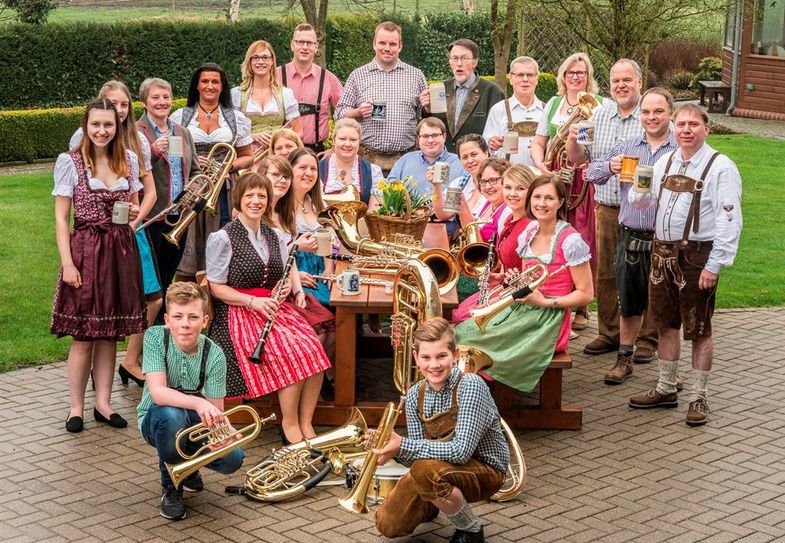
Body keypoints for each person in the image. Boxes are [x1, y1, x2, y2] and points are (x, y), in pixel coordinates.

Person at [627, 104, 742, 427]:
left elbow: (729, 219)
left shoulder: (721, 167)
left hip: (696, 257)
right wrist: (639, 188)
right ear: (673, 128)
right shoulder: (665, 161)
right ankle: (666, 388)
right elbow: (642, 201)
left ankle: (698, 396)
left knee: (699, 328)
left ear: (707, 128)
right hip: (661, 254)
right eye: (681, 124)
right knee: (665, 323)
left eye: (693, 124)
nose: (686, 130)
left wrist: (715, 264)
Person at [206, 171, 330, 444]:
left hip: (272, 308)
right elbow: (216, 288)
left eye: (262, 196)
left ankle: (306, 423)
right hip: (238, 311)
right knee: (293, 352)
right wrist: (253, 301)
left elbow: (281, 275)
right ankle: (289, 425)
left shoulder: (274, 235)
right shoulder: (223, 238)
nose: (256, 201)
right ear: (239, 199)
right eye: (249, 195)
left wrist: (283, 289)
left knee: (314, 348)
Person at [52, 99, 148, 433]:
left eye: (108, 125)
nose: (102, 131)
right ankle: (76, 408)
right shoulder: (71, 161)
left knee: (109, 334)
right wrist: (67, 262)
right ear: (86, 125)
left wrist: (133, 212)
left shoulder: (128, 159)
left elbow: (134, 206)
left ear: (117, 126)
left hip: (120, 251)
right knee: (83, 336)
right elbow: (61, 219)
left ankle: (104, 404)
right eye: (96, 124)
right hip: (86, 252)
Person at [374, 317, 509, 543]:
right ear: (416, 358)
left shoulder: (471, 385)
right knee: (387, 525)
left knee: (426, 471)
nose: (434, 365)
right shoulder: (415, 394)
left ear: (455, 355)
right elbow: (417, 457)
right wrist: (390, 449)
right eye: (426, 357)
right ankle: (435, 502)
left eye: (441, 356)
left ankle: (471, 530)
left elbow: (461, 452)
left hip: (486, 470)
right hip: (440, 468)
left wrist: (403, 445)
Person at [455, 174, 593, 393]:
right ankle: (476, 392)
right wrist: (506, 279)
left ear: (560, 202)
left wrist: (545, 302)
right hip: (523, 308)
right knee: (462, 333)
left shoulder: (571, 241)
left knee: (476, 341)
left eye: (549, 198)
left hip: (549, 320)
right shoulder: (530, 231)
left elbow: (586, 294)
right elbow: (527, 276)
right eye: (537, 197)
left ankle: (487, 395)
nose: (541, 203)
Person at [69, 80, 161, 386]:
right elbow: (77, 190)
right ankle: (97, 373)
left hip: (129, 230)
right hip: (95, 235)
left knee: (151, 298)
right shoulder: (85, 138)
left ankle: (129, 361)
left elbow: (146, 192)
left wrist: (135, 221)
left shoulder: (136, 141)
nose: (119, 110)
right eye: (112, 103)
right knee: (98, 307)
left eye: (124, 105)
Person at [586, 88, 677, 384]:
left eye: (658, 111)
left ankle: (669, 372)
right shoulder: (628, 146)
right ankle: (624, 360)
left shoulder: (680, 148)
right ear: (640, 116)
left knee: (668, 305)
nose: (652, 117)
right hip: (631, 235)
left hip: (668, 239)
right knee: (629, 301)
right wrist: (609, 166)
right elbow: (592, 173)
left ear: (670, 113)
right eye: (646, 112)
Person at [566, 59, 655, 360]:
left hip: (644, 212)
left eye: (627, 80)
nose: (621, 85)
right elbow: (578, 158)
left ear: (639, 82)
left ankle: (647, 338)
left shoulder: (649, 115)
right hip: (606, 207)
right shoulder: (598, 115)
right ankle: (609, 332)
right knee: (606, 272)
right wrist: (573, 137)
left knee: (644, 273)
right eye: (616, 80)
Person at [137, 282, 244, 521]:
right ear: (167, 319)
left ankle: (188, 466)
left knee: (233, 458)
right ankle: (171, 487)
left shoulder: (214, 354)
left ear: (204, 321)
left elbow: (215, 410)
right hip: (156, 419)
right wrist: (198, 403)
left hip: (193, 422)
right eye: (178, 317)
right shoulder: (155, 337)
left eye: (193, 317)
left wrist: (224, 433)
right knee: (172, 415)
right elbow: (158, 393)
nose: (185, 324)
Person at [530, 52, 602, 333]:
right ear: (563, 76)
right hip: (554, 177)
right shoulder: (553, 104)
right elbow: (539, 142)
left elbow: (593, 147)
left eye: (581, 72)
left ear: (588, 76)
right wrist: (542, 166)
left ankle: (582, 305)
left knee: (582, 239)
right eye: (570, 72)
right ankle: (556, 300)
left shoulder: (599, 105)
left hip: (581, 181)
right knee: (553, 238)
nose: (575, 77)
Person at [171, 63, 254, 281]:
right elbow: (171, 155)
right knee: (189, 240)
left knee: (222, 237)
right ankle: (186, 291)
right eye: (205, 81)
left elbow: (248, 156)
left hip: (224, 187)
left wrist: (229, 167)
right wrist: (190, 160)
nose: (210, 86)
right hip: (193, 185)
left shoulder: (235, 118)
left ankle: (219, 287)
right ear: (197, 85)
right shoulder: (180, 116)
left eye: (215, 82)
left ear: (222, 86)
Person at [137, 77, 202, 327]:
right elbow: (131, 173)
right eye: (155, 97)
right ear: (144, 102)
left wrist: (194, 189)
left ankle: (163, 331)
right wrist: (153, 153)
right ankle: (150, 333)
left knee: (168, 276)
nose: (162, 102)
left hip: (178, 217)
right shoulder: (135, 132)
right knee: (152, 283)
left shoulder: (182, 131)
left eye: (166, 97)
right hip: (151, 216)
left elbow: (195, 170)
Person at [335, 21, 427, 173]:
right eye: (382, 43)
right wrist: (358, 112)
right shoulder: (358, 75)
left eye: (392, 44)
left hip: (406, 160)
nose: (387, 48)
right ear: (374, 44)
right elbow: (339, 114)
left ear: (400, 46)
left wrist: (428, 106)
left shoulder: (416, 76)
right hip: (367, 159)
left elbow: (427, 116)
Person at [451, 164, 537, 324]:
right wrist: (499, 278)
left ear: (531, 191)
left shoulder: (531, 226)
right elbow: (506, 262)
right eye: (508, 188)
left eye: (520, 188)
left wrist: (502, 289)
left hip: (519, 296)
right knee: (457, 313)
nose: (512, 194)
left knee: (461, 316)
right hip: (505, 285)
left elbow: (532, 279)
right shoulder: (508, 219)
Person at [419, 38, 504, 153]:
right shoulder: (440, 89)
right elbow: (430, 128)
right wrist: (428, 110)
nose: (459, 64)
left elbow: (498, 133)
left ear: (475, 62)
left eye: (464, 58)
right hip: (444, 158)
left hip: (475, 160)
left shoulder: (492, 91)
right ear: (450, 62)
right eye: (455, 58)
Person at [277, 23, 344, 152]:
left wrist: (333, 149)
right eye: (300, 42)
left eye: (309, 43)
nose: (305, 47)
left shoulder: (328, 79)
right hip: (282, 152)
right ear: (292, 45)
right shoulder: (275, 76)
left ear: (316, 47)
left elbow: (345, 114)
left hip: (316, 152)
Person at [232, 40, 301, 156]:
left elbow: (299, 133)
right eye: (255, 57)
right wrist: (252, 136)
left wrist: (278, 141)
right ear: (249, 61)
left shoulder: (285, 94)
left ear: (272, 61)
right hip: (246, 157)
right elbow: (230, 132)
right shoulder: (236, 94)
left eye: (265, 57)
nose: (260, 62)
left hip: (278, 156)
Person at [483, 56, 545, 167]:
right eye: (520, 75)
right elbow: (486, 147)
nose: (525, 79)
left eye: (530, 75)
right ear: (511, 79)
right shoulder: (498, 110)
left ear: (537, 79)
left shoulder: (547, 110)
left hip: (541, 176)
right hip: (507, 175)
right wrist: (492, 143)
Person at [387, 117, 465, 197]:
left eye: (435, 135)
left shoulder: (460, 164)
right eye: (425, 136)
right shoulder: (405, 161)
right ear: (418, 139)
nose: (430, 140)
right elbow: (389, 191)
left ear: (444, 137)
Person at [430, 134, 491, 234]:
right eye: (465, 157)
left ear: (486, 153)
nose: (470, 160)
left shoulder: (497, 184)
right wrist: (436, 185)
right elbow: (444, 214)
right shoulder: (461, 184)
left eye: (474, 154)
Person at [318, 118, 383, 205]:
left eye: (353, 140)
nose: (347, 144)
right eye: (342, 139)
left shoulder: (373, 172)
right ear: (334, 141)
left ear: (359, 142)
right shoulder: (318, 169)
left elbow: (375, 209)